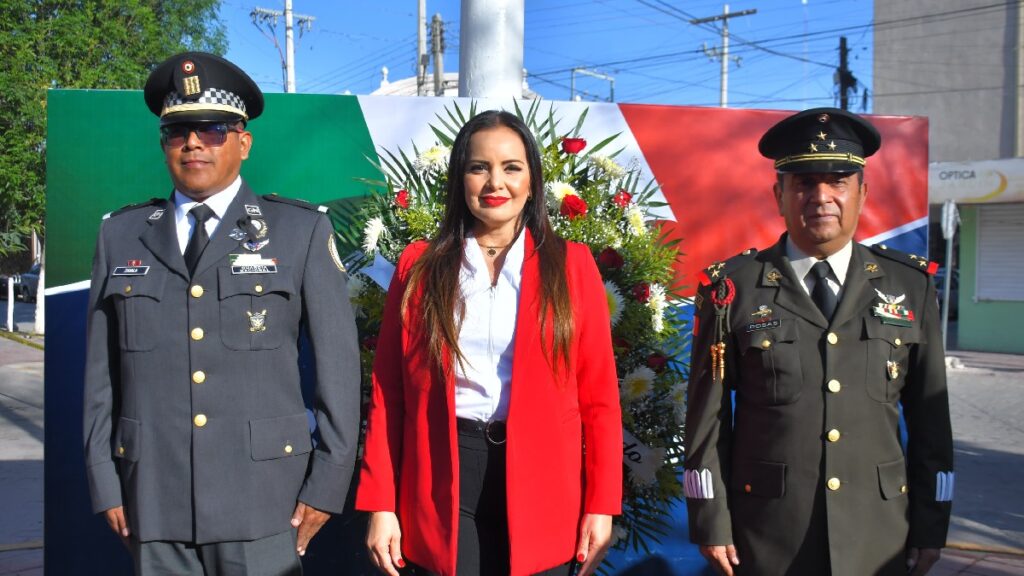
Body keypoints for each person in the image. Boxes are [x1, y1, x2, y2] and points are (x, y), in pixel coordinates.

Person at [82, 51, 361, 575]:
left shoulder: (298, 232)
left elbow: (339, 371)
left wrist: (328, 481)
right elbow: (100, 376)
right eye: (176, 131)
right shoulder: (121, 234)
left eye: (211, 129)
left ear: (243, 141)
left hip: (266, 499)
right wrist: (103, 479)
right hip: (152, 496)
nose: (192, 143)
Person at [683, 108, 954, 576]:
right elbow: (706, 421)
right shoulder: (732, 289)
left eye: (838, 181)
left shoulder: (910, 286)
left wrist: (932, 524)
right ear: (779, 195)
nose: (821, 197)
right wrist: (711, 520)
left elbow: (931, 420)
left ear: (863, 192)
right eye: (804, 182)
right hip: (766, 534)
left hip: (878, 533)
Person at [355, 110, 623, 576]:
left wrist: (601, 505)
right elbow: (388, 391)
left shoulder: (572, 266)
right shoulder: (419, 266)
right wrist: (381, 503)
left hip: (545, 482)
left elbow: (599, 398)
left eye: (511, 167)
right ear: (460, 178)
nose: (495, 181)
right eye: (479, 167)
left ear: (533, 180)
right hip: (442, 472)